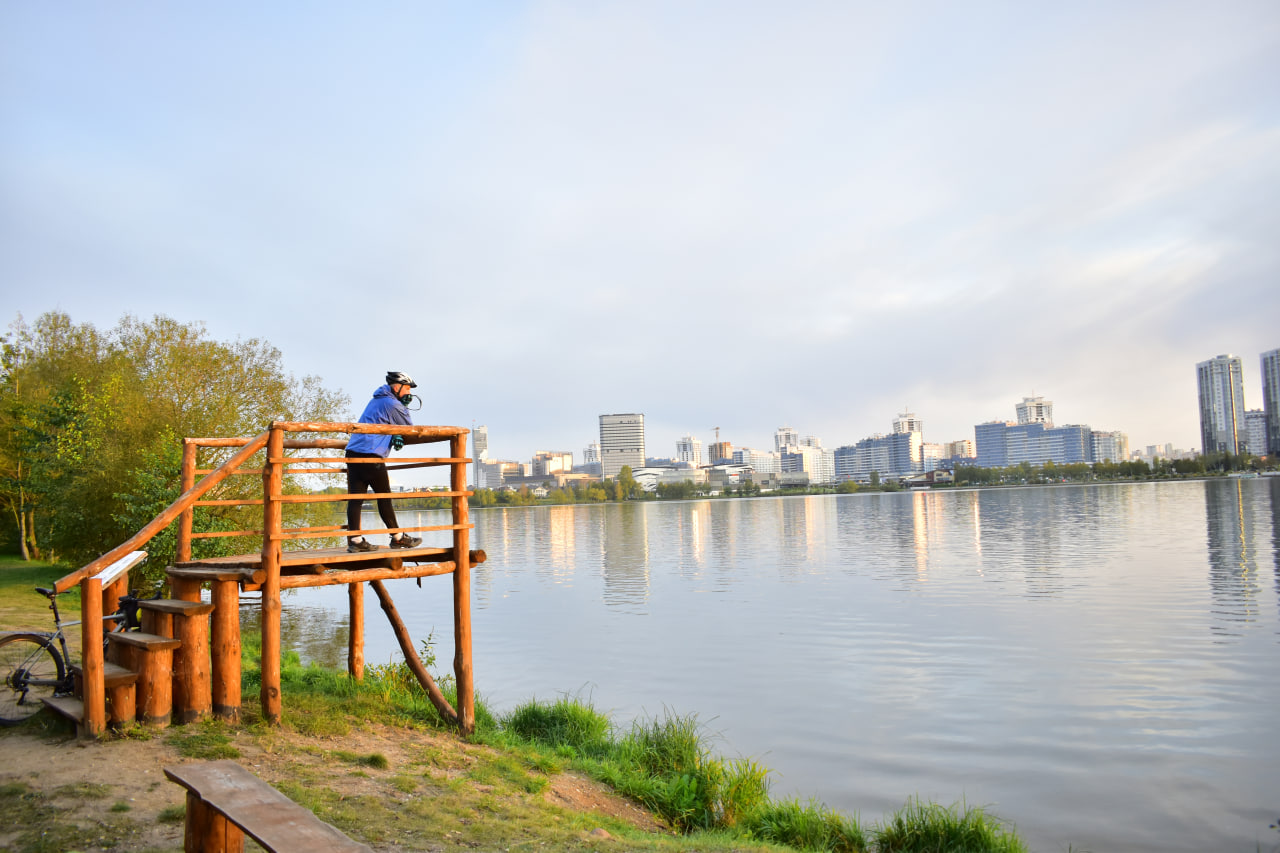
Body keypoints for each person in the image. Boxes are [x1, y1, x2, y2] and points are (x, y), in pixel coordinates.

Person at [345, 371, 423, 552]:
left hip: (353, 451)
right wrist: (403, 409)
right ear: (397, 387)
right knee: (384, 496)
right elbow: (409, 429)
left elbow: (386, 422)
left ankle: (355, 541)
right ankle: (397, 538)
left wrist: (393, 432)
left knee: (356, 498)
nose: (409, 393)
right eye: (408, 389)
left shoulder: (377, 400)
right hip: (370, 454)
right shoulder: (392, 403)